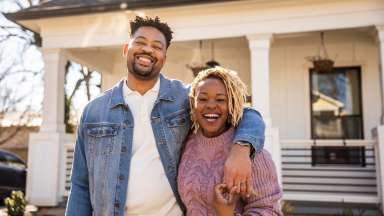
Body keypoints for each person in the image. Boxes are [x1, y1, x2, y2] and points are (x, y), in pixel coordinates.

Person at [65, 16, 265, 216]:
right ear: (126, 49)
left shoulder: (184, 97)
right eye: (141, 42)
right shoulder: (94, 111)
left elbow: (246, 112)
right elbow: (81, 185)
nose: (148, 50)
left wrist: (242, 149)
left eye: (157, 46)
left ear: (164, 58)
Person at [178, 67, 282, 215]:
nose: (211, 105)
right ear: (193, 103)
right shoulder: (186, 142)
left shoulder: (251, 153)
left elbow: (268, 210)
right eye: (202, 99)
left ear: (232, 104)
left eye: (220, 99)